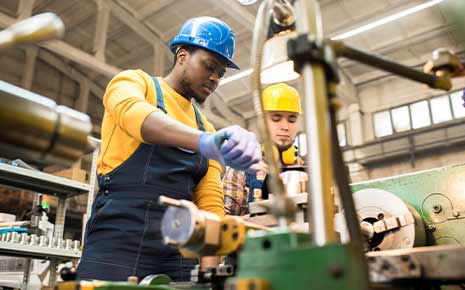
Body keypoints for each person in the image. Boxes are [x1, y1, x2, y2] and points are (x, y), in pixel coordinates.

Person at [77, 17, 262, 282]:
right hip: (117, 241)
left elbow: (209, 205)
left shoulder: (206, 126)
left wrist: (210, 275)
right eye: (210, 66)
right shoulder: (135, 83)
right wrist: (204, 142)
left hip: (178, 252)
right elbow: (136, 115)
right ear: (183, 56)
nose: (214, 78)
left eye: (221, 74)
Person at [223, 83, 304, 216]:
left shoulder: (306, 169)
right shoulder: (240, 169)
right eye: (276, 119)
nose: (285, 127)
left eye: (292, 119)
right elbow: (226, 222)